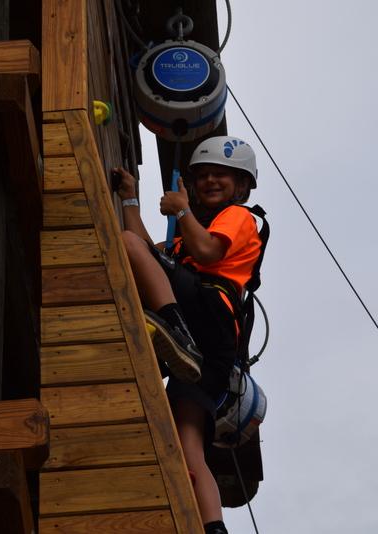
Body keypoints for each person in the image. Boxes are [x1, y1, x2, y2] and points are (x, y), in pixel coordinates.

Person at [114, 136, 263, 534]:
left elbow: (209, 252)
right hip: (206, 360)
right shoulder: (183, 241)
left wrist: (181, 211)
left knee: (126, 244)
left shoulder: (239, 218)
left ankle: (173, 327)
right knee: (186, 443)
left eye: (222, 175)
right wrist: (130, 199)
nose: (211, 181)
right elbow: (145, 251)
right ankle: (213, 527)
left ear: (242, 187)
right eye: (204, 176)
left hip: (207, 320)